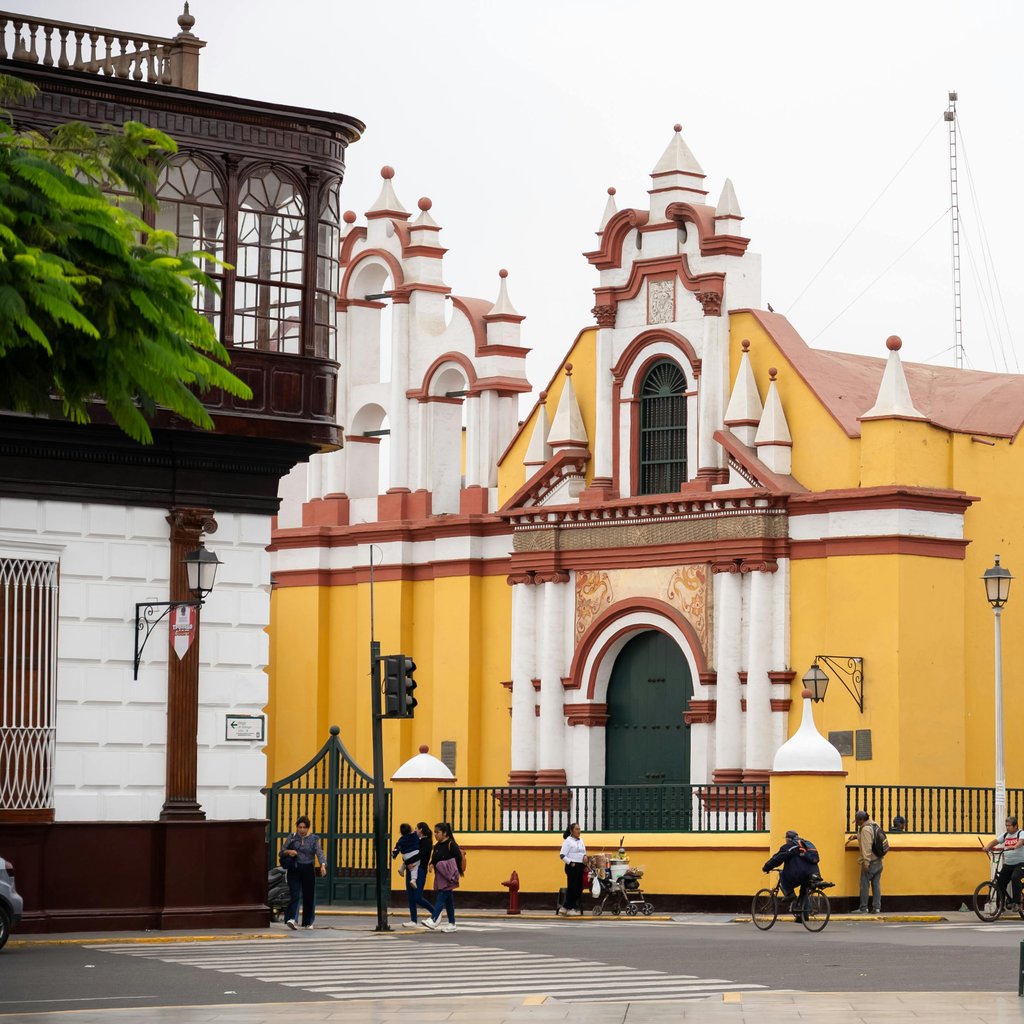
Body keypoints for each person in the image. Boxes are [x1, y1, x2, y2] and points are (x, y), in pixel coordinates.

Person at [280, 814, 326, 930]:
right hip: (294, 868)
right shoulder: (292, 837)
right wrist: (289, 851)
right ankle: (292, 919)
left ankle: (308, 922)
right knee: (294, 894)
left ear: (308, 828)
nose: (301, 830)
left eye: (304, 827)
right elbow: (281, 852)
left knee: (309, 896)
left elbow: (319, 852)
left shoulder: (314, 839)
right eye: (299, 827)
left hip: (308, 869)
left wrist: (323, 865)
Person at [762, 829, 819, 918]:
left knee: (782, 875)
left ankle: (790, 894)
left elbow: (777, 859)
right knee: (804, 890)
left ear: (788, 839)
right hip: (813, 874)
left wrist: (767, 867)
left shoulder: (789, 847)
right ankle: (803, 916)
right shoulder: (806, 845)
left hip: (799, 874)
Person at [422, 822, 463, 933]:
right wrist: (431, 864)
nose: (435, 834)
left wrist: (451, 869)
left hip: (448, 876)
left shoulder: (451, 844)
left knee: (441, 896)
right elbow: (434, 858)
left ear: (445, 833)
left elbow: (458, 857)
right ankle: (452, 923)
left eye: (437, 832)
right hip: (440, 875)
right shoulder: (437, 846)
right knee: (448, 901)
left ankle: (433, 919)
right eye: (435, 832)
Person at [985, 814, 1024, 909]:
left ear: (1015, 826)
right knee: (1000, 883)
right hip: (1008, 864)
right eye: (1006, 825)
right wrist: (987, 846)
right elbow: (995, 841)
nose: (1007, 827)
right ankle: (1000, 906)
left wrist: (1015, 846)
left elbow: (1021, 842)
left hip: (1021, 864)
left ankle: (1016, 903)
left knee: (1015, 878)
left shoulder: (1021, 833)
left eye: (1009, 826)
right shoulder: (1006, 835)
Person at [853, 809, 882, 913]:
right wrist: (857, 836)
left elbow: (867, 847)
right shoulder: (874, 824)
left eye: (857, 821)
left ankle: (863, 908)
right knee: (876, 884)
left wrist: (866, 862)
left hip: (870, 861)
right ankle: (877, 907)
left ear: (861, 820)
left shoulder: (865, 829)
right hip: (878, 860)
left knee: (864, 884)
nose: (856, 823)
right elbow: (873, 838)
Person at [558, 822, 587, 916]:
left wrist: (585, 857)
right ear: (571, 831)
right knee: (572, 887)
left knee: (579, 887)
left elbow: (583, 851)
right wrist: (571, 863)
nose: (579, 831)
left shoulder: (581, 840)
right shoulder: (568, 841)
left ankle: (567, 907)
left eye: (579, 829)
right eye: (577, 829)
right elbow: (562, 855)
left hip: (581, 865)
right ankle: (568, 907)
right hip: (572, 866)